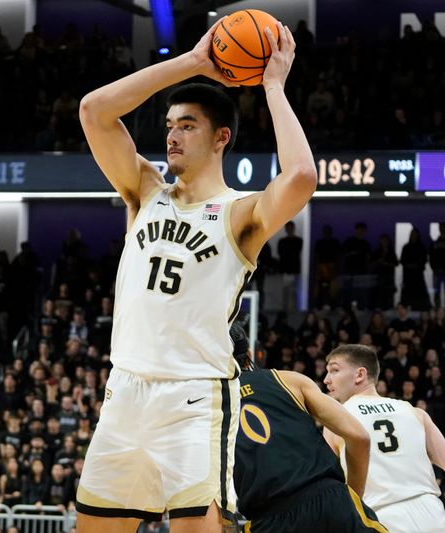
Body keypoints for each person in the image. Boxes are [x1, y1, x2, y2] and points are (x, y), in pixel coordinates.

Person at [75, 17, 317, 533]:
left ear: (221, 137)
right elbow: (94, 111)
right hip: (124, 389)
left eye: (187, 125)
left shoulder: (239, 212)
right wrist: (193, 62)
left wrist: (272, 85)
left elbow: (300, 176)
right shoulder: (144, 190)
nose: (172, 135)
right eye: (168, 125)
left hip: (196, 397)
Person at [230, 324, 386, 533]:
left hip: (268, 521)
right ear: (249, 353)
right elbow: (359, 436)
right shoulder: (288, 380)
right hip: (330, 502)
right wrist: (352, 497)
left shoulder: (205, 405)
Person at [324, 344, 445, 533]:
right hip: (433, 514)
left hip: (381, 519)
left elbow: (325, 487)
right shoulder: (415, 412)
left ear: (360, 375)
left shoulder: (338, 420)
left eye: (334, 370)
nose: (326, 380)